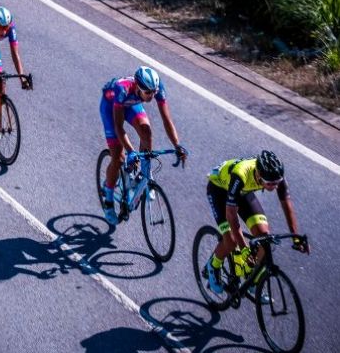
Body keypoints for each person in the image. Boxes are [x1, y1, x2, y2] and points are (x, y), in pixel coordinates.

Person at [203, 151, 309, 296]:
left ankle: (253, 283)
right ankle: (213, 265)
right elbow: (231, 216)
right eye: (269, 183)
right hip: (219, 191)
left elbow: (287, 204)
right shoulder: (240, 175)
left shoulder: (276, 176)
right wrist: (244, 249)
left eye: (276, 183)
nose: (273, 187)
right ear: (259, 174)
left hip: (243, 192)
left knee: (265, 238)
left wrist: (296, 237)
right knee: (231, 241)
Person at [99, 67, 188, 226]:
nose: (152, 96)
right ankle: (108, 194)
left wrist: (177, 145)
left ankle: (145, 174)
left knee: (146, 131)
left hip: (130, 105)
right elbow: (119, 127)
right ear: (138, 88)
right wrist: (131, 151)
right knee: (118, 158)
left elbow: (167, 120)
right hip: (111, 107)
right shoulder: (122, 89)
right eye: (148, 93)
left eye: (154, 92)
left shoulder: (157, 87)